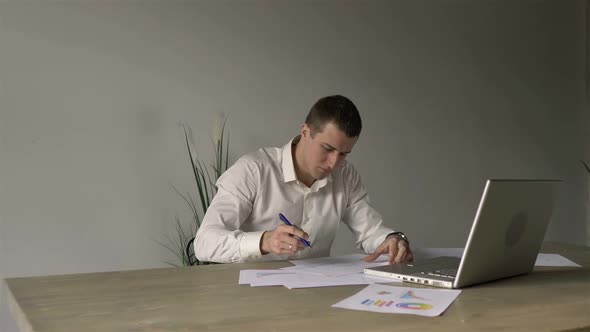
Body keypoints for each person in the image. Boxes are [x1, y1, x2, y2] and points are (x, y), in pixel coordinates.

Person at [194, 95, 413, 265]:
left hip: (316, 295)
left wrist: (391, 239)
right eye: (327, 149)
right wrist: (264, 241)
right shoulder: (253, 170)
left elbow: (371, 231)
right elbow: (204, 243)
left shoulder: (345, 174)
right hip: (252, 297)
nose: (334, 163)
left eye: (344, 154)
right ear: (305, 132)